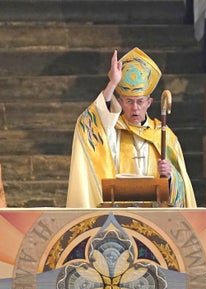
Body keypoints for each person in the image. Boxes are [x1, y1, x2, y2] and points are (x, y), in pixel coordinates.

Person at [66, 47, 196, 208]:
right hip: (119, 213)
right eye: (129, 101)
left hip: (154, 216)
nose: (135, 108)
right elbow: (89, 123)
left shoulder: (163, 135)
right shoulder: (113, 131)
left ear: (148, 103)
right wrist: (112, 83)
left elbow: (183, 190)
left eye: (140, 101)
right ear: (120, 103)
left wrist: (170, 176)